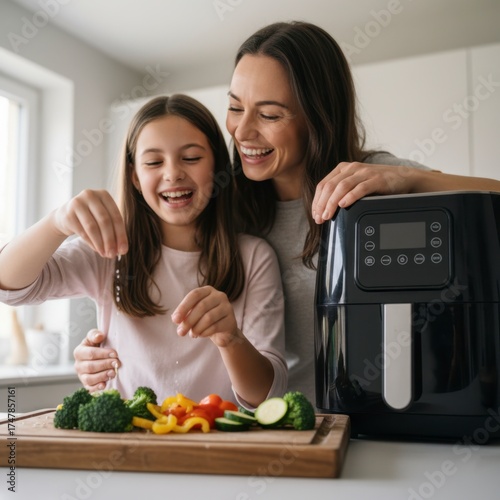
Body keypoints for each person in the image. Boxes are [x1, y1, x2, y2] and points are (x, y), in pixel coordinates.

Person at [74, 21, 500, 404]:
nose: (241, 132)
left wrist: (409, 179)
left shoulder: (371, 180)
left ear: (317, 118)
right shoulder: (223, 202)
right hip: (279, 428)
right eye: (236, 107)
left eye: (270, 114)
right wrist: (106, 350)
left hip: (380, 418)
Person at [0, 94, 287, 408]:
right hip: (125, 449)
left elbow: (266, 397)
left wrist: (232, 338)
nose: (172, 173)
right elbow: (10, 288)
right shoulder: (109, 249)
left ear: (217, 165)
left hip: (215, 450)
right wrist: (56, 222)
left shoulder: (253, 256)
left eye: (191, 158)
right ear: (135, 176)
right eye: (153, 161)